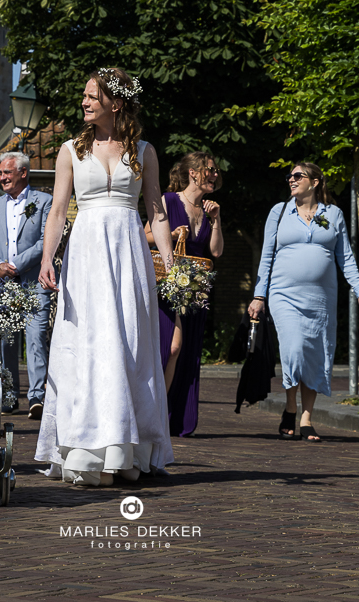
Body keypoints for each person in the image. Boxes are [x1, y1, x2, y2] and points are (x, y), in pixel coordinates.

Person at [37, 67, 176, 487]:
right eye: (84, 95)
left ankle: (128, 450)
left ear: (115, 103)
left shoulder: (144, 151)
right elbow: (59, 211)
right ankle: (84, 449)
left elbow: (157, 211)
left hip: (129, 252)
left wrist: (171, 263)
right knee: (89, 344)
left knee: (130, 343)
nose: (84, 102)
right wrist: (48, 258)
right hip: (86, 253)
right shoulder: (68, 151)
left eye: (92, 96)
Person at [249, 162, 359, 442]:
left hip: (321, 298)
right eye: (289, 176)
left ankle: (306, 418)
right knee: (293, 348)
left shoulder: (333, 214)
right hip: (284, 294)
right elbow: (267, 256)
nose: (291, 180)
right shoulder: (279, 212)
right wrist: (259, 295)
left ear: (315, 182)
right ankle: (291, 407)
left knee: (315, 354)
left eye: (297, 176)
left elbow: (346, 258)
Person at [154, 151, 223, 437]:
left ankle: (172, 417)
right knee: (172, 348)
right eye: (210, 169)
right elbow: (145, 234)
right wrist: (170, 234)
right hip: (169, 285)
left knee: (186, 353)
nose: (215, 174)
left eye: (216, 170)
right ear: (193, 173)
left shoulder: (211, 208)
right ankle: (156, 412)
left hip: (195, 290)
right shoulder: (170, 200)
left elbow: (216, 251)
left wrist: (216, 220)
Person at [0, 151, 54, 419]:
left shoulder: (44, 201)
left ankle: (37, 397)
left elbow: (47, 239)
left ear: (23, 173)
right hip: (3, 284)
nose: (2, 178)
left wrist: (18, 263)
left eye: (7, 173)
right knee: (6, 342)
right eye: (0, 173)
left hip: (34, 280)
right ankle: (9, 395)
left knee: (36, 339)